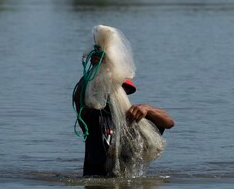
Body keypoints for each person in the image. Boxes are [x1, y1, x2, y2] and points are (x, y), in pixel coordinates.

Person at [73, 26, 174, 177]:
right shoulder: (93, 116)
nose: (110, 91)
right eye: (104, 86)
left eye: (118, 87)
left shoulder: (135, 116)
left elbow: (169, 123)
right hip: (96, 188)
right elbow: (78, 98)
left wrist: (148, 109)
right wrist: (96, 69)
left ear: (125, 91)